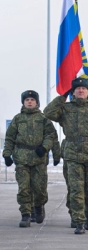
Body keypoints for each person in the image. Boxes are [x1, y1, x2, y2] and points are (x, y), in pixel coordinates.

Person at [3, 90, 56, 228]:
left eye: (32, 99)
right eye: (27, 100)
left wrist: (44, 148)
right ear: (23, 102)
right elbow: (10, 138)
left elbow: (51, 135)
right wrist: (7, 154)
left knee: (39, 188)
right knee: (23, 188)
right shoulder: (17, 119)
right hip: (21, 158)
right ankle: (25, 214)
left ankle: (39, 206)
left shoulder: (44, 119)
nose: (30, 102)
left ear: (36, 102)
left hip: (39, 158)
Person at [44, 77, 88, 234]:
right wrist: (62, 96)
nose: (81, 91)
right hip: (73, 154)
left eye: (83, 89)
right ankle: (79, 221)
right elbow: (48, 113)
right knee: (76, 189)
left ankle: (86, 216)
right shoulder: (66, 108)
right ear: (73, 92)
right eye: (77, 89)